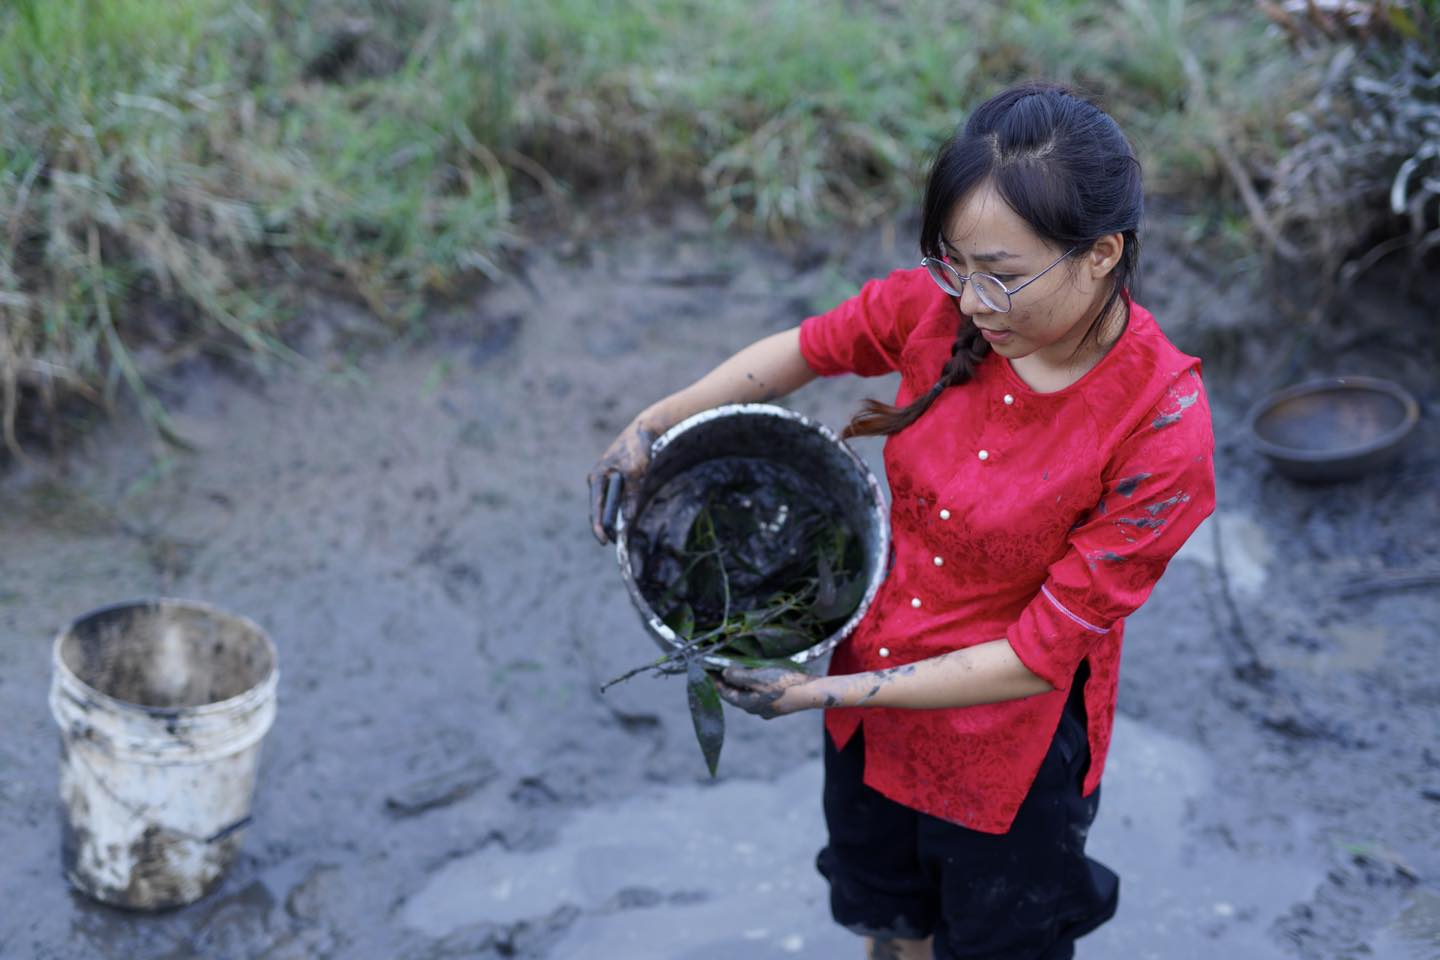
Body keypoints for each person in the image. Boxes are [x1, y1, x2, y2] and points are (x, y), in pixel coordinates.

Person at [587, 82, 1215, 960]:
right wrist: (656, 422)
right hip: (871, 704)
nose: (970, 302)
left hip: (1009, 757)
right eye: (953, 264)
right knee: (892, 920)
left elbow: (1037, 657)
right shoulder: (940, 308)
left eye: (1002, 275)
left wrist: (817, 692)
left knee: (1000, 939)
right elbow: (804, 352)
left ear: (1103, 252)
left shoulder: (1159, 422)